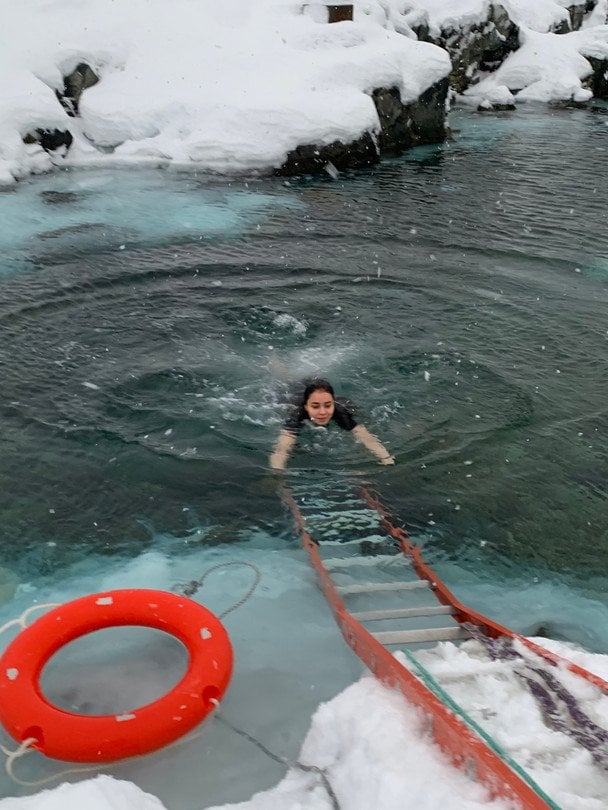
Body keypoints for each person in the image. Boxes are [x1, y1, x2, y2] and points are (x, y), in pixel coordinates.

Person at [269, 378, 395, 470]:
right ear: (306, 407)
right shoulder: (297, 414)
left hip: (318, 392)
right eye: (315, 406)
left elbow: (365, 437)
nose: (322, 412)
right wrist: (277, 474)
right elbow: (281, 449)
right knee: (286, 378)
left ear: (333, 403)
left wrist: (386, 459)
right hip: (293, 390)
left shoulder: (340, 412)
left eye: (328, 405)